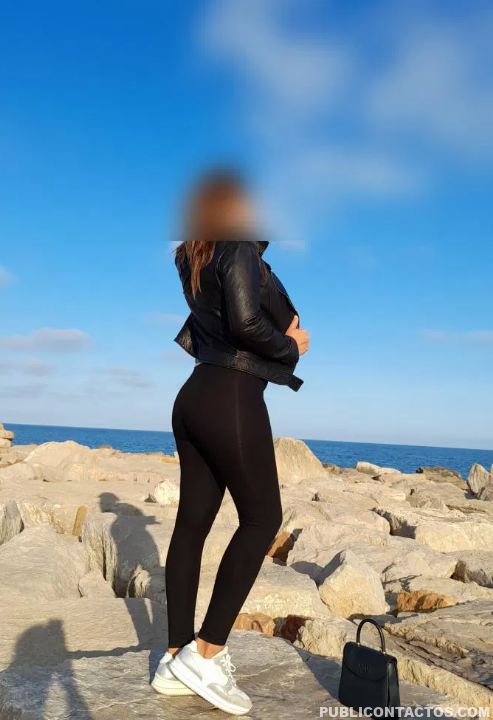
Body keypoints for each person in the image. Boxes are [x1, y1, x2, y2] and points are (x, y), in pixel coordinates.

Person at [151, 170, 310, 715]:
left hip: (194, 396)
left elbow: (222, 318)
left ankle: (175, 658)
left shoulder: (193, 254)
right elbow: (244, 323)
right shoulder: (237, 245)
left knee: (191, 526)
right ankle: (207, 653)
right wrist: (291, 346)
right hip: (232, 399)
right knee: (263, 519)